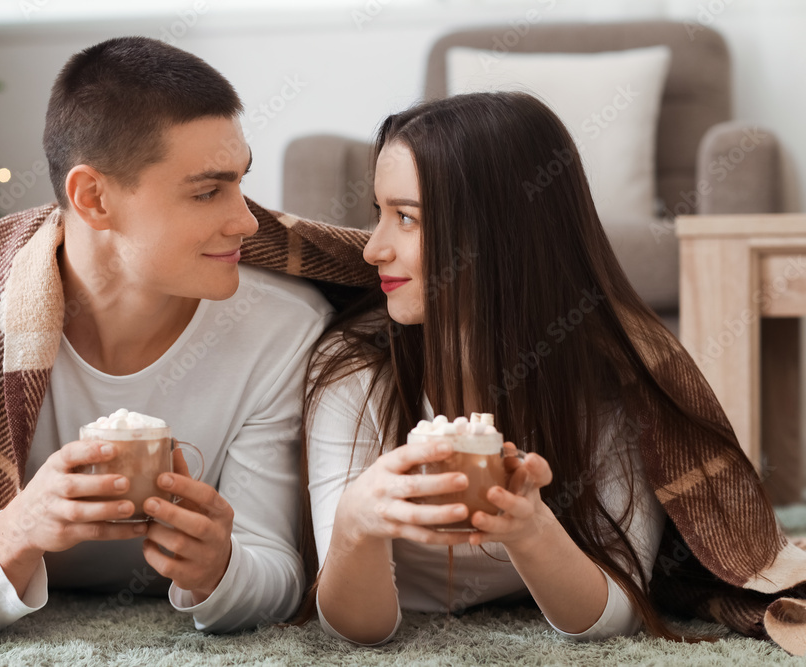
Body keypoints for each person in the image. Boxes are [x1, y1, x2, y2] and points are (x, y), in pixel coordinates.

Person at [0, 36, 376, 658]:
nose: (246, 220)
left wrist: (220, 566)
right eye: (207, 191)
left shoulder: (284, 326)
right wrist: (17, 533)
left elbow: (278, 573)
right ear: (94, 198)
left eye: (240, 182)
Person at [301, 91, 795, 647]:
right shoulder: (355, 367)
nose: (374, 249)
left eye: (407, 219)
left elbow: (616, 613)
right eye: (379, 214)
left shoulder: (611, 381)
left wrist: (529, 528)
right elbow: (353, 630)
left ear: (499, 233)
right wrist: (355, 526)